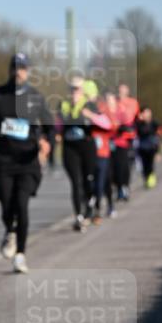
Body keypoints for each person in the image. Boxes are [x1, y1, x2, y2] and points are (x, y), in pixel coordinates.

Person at [0, 53, 52, 272]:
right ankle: (9, 230)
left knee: (22, 204)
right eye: (15, 67)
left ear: (27, 71)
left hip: (27, 162)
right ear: (10, 70)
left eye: (22, 68)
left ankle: (20, 254)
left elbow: (49, 125)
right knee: (7, 204)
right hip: (2, 161)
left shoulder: (35, 97)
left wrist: (47, 143)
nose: (18, 71)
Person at [60, 76, 113, 231]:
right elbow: (59, 123)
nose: (74, 92)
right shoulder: (64, 104)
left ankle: (90, 206)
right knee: (75, 182)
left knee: (87, 181)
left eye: (77, 89)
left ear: (83, 90)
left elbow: (107, 124)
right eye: (72, 89)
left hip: (87, 146)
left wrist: (90, 115)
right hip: (70, 147)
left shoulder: (90, 105)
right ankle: (79, 216)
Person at [91, 91, 119, 223]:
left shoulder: (106, 114)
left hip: (105, 153)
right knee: (93, 182)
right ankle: (95, 208)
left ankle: (108, 206)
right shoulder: (88, 111)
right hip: (91, 154)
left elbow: (111, 126)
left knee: (105, 181)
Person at [115, 83, 139, 201]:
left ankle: (125, 187)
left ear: (127, 91)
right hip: (117, 139)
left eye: (123, 90)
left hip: (130, 138)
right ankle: (120, 187)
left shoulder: (133, 103)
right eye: (119, 90)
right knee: (118, 166)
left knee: (128, 165)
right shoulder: (114, 103)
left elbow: (137, 119)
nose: (121, 93)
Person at [136, 106, 160, 189]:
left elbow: (158, 136)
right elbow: (139, 132)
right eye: (145, 112)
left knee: (150, 164)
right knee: (144, 165)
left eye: (148, 112)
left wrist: (158, 151)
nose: (147, 114)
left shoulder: (154, 123)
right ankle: (146, 178)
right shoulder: (139, 123)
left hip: (152, 147)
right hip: (142, 148)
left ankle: (151, 178)